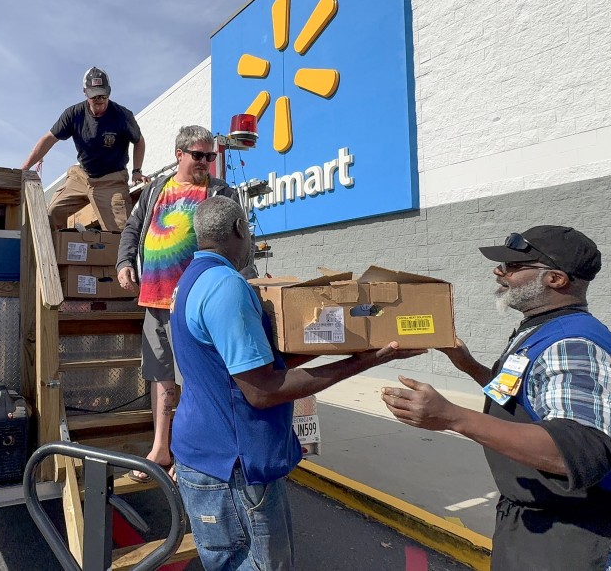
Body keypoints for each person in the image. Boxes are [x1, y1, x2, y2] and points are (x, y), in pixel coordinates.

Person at [380, 226, 611, 571]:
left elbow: (577, 452)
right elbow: (517, 402)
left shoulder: (574, 346)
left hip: (585, 540)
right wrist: (468, 365)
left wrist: (454, 417)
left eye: (512, 266)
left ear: (555, 279)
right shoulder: (541, 329)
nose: (499, 272)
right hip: (544, 529)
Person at [170, 195, 424, 570]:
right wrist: (363, 363)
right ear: (239, 228)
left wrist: (346, 346)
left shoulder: (190, 281)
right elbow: (262, 390)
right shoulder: (227, 286)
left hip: (206, 456)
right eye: (250, 230)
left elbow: (253, 365)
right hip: (234, 469)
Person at [115, 125, 239, 481]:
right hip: (154, 298)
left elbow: (237, 239)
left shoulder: (220, 193)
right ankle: (160, 448)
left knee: (195, 381)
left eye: (210, 156)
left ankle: (187, 453)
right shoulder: (156, 189)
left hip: (193, 305)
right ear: (179, 154)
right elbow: (132, 229)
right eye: (198, 155)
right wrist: (125, 263)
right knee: (160, 377)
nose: (205, 162)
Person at [21, 67, 149, 231]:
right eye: (95, 95)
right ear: (85, 92)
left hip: (111, 180)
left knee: (120, 231)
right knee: (53, 210)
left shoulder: (122, 116)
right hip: (82, 176)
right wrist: (24, 169)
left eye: (104, 95)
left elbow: (139, 141)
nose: (100, 100)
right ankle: (57, 251)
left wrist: (137, 170)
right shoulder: (73, 114)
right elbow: (48, 139)